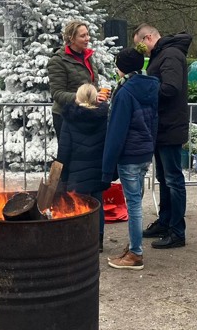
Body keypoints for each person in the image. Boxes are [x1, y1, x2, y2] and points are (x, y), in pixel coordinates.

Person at [132, 24, 191, 249]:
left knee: (173, 179)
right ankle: (166, 221)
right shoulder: (164, 55)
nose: (140, 50)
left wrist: (142, 90)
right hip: (163, 126)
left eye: (139, 44)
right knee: (165, 178)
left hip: (170, 126)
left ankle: (177, 231)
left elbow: (170, 88)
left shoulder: (170, 55)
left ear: (148, 37)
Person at [102, 47, 160, 270]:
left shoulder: (124, 93)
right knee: (137, 200)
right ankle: (134, 246)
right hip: (145, 151)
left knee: (133, 204)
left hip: (129, 154)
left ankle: (135, 253)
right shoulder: (150, 86)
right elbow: (154, 121)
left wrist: (107, 169)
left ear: (120, 67)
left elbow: (116, 132)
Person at [56, 83, 110, 253]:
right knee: (98, 204)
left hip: (77, 171)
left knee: (78, 205)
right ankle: (98, 239)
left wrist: (62, 173)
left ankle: (81, 239)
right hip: (97, 168)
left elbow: (64, 148)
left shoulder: (70, 118)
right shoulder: (102, 118)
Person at [47, 20, 108, 140]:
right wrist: (87, 97)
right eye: (82, 36)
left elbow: (88, 85)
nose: (87, 38)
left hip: (86, 113)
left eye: (87, 34)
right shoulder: (58, 61)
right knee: (71, 157)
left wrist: (99, 93)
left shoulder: (88, 57)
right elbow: (57, 93)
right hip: (66, 116)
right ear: (71, 38)